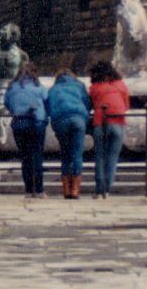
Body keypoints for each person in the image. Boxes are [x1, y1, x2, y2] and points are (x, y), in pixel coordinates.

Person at [3, 62, 48, 198]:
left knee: (26, 157)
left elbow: (7, 104)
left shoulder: (11, 88)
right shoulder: (39, 87)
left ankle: (28, 190)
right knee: (37, 156)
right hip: (37, 123)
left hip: (19, 124)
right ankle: (38, 190)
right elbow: (46, 101)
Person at [47, 69, 91, 199]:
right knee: (77, 154)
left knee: (65, 154)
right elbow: (87, 103)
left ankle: (66, 190)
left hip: (61, 121)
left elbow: (49, 108)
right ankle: (75, 190)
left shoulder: (53, 89)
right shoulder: (80, 86)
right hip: (78, 119)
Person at [88, 61, 130, 199]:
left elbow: (93, 105)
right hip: (118, 123)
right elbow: (126, 106)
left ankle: (99, 191)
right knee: (112, 158)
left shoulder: (95, 87)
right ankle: (107, 190)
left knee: (100, 157)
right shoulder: (121, 85)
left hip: (101, 122)